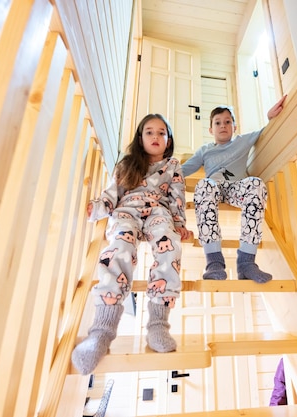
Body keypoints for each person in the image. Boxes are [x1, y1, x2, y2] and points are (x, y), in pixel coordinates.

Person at [71, 114, 191, 375]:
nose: (156, 137)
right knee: (119, 249)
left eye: (162, 133)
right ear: (140, 138)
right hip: (127, 211)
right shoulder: (127, 163)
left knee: (169, 245)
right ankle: (101, 332)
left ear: (168, 140)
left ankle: (158, 324)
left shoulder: (173, 166)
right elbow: (113, 193)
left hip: (160, 212)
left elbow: (177, 198)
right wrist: (100, 208)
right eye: (149, 132)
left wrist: (179, 224)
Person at [181, 96, 286, 282]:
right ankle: (214, 262)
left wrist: (270, 118)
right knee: (204, 185)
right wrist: (159, 175)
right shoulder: (205, 150)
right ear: (210, 129)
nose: (223, 126)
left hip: (236, 188)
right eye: (218, 123)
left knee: (256, 183)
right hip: (212, 189)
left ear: (234, 127)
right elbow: (183, 170)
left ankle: (246, 262)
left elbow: (265, 132)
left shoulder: (242, 141)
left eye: (227, 122)